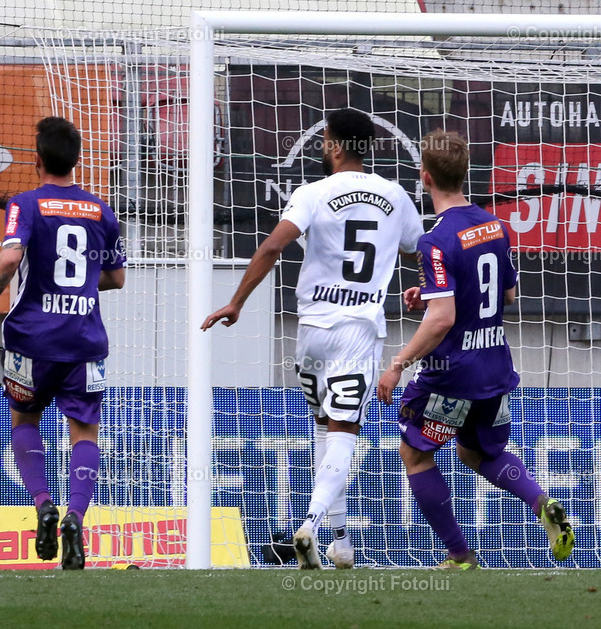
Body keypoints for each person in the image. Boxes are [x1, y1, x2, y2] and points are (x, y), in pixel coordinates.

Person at [203, 108, 423, 570]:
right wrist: (427, 288)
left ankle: (340, 544)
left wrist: (237, 302)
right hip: (358, 332)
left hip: (311, 332)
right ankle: (311, 523)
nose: (323, 146)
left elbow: (272, 246)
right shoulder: (396, 195)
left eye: (325, 140)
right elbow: (420, 248)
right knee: (344, 433)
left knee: (324, 429)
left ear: (337, 146)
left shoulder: (312, 192)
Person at [376, 130, 574, 569]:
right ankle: (543, 504)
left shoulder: (435, 240)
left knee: (415, 452)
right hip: (493, 366)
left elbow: (443, 319)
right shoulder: (496, 226)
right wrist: (429, 292)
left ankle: (461, 556)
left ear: (424, 177)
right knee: (477, 451)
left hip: (451, 373)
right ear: (466, 174)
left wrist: (396, 366)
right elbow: (506, 296)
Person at [0, 117, 126, 570]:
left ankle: (43, 504)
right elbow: (116, 277)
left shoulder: (24, 204)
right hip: (84, 341)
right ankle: (76, 516)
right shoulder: (101, 211)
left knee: (25, 421)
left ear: (36, 161)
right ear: (77, 160)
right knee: (85, 432)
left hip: (31, 340)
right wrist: (78, 288)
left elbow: (10, 258)